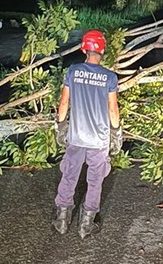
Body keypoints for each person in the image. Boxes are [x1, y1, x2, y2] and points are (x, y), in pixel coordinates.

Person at [53, 29, 122, 238]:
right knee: (95, 181)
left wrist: (61, 125)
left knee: (69, 175)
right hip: (98, 140)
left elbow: (64, 102)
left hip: (76, 137)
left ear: (84, 49)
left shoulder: (73, 72)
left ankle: (62, 221)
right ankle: (86, 225)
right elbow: (113, 109)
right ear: (102, 51)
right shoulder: (110, 77)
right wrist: (116, 133)